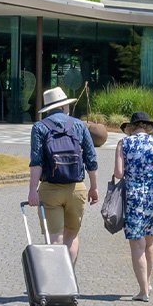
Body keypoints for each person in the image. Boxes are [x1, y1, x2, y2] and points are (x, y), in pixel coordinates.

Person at [26, 86, 99, 269]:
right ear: (65, 107)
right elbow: (91, 159)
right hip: (76, 188)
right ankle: (68, 278)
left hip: (50, 189)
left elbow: (36, 162)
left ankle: (56, 281)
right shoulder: (79, 125)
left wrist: (32, 191)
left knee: (55, 237)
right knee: (72, 234)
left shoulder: (40, 127)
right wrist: (94, 187)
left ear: (48, 109)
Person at [112, 110, 153, 301]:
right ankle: (147, 284)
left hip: (133, 197)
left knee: (136, 244)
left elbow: (118, 173)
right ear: (148, 127)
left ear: (131, 127)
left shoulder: (124, 144)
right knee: (150, 242)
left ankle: (143, 291)